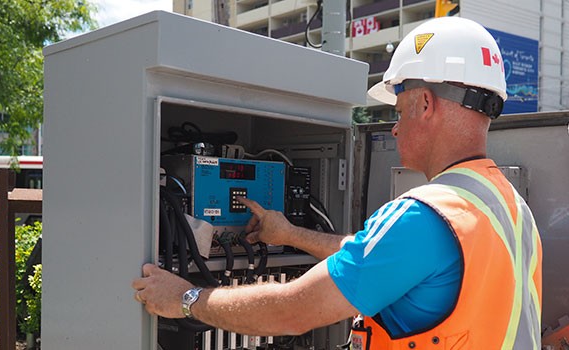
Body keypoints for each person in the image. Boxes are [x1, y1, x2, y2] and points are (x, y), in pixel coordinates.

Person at [132, 16, 542, 349]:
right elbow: (378, 256)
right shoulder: (507, 206)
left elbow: (293, 310)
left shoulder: (426, 214)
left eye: (399, 111)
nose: (395, 129)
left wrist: (186, 299)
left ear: (426, 103)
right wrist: (290, 233)